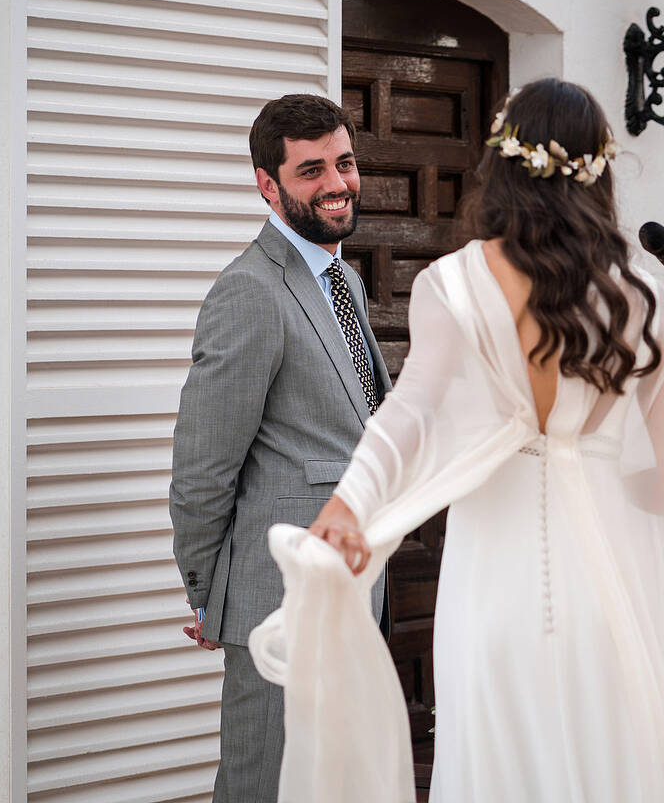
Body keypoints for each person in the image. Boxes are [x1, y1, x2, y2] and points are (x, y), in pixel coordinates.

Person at [248, 79, 664, 803]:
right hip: (607, 599)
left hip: (494, 591)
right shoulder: (641, 298)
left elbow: (407, 414)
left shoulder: (453, 283)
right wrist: (601, 483)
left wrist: (349, 503)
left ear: (502, 162)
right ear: (600, 169)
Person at [169, 94, 392, 803]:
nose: (337, 183)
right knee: (262, 782)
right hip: (275, 599)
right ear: (268, 184)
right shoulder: (248, 291)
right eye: (311, 170)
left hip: (358, 585)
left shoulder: (344, 278)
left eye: (345, 163)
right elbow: (204, 465)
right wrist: (214, 597)